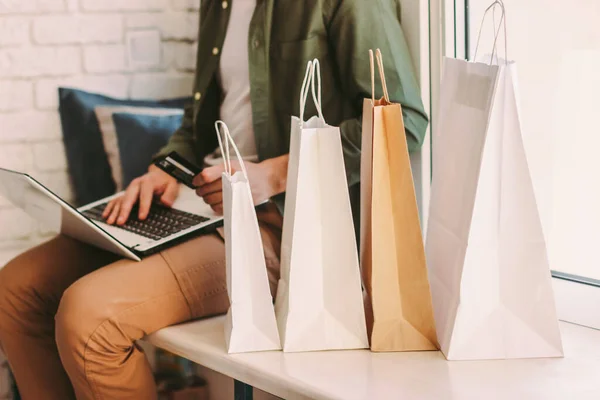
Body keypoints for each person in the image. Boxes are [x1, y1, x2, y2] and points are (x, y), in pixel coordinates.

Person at [0, 0, 428, 399]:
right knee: (16, 290)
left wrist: (274, 174)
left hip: (275, 223)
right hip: (196, 203)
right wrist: (162, 170)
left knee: (89, 319)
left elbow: (404, 121)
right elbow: (204, 116)